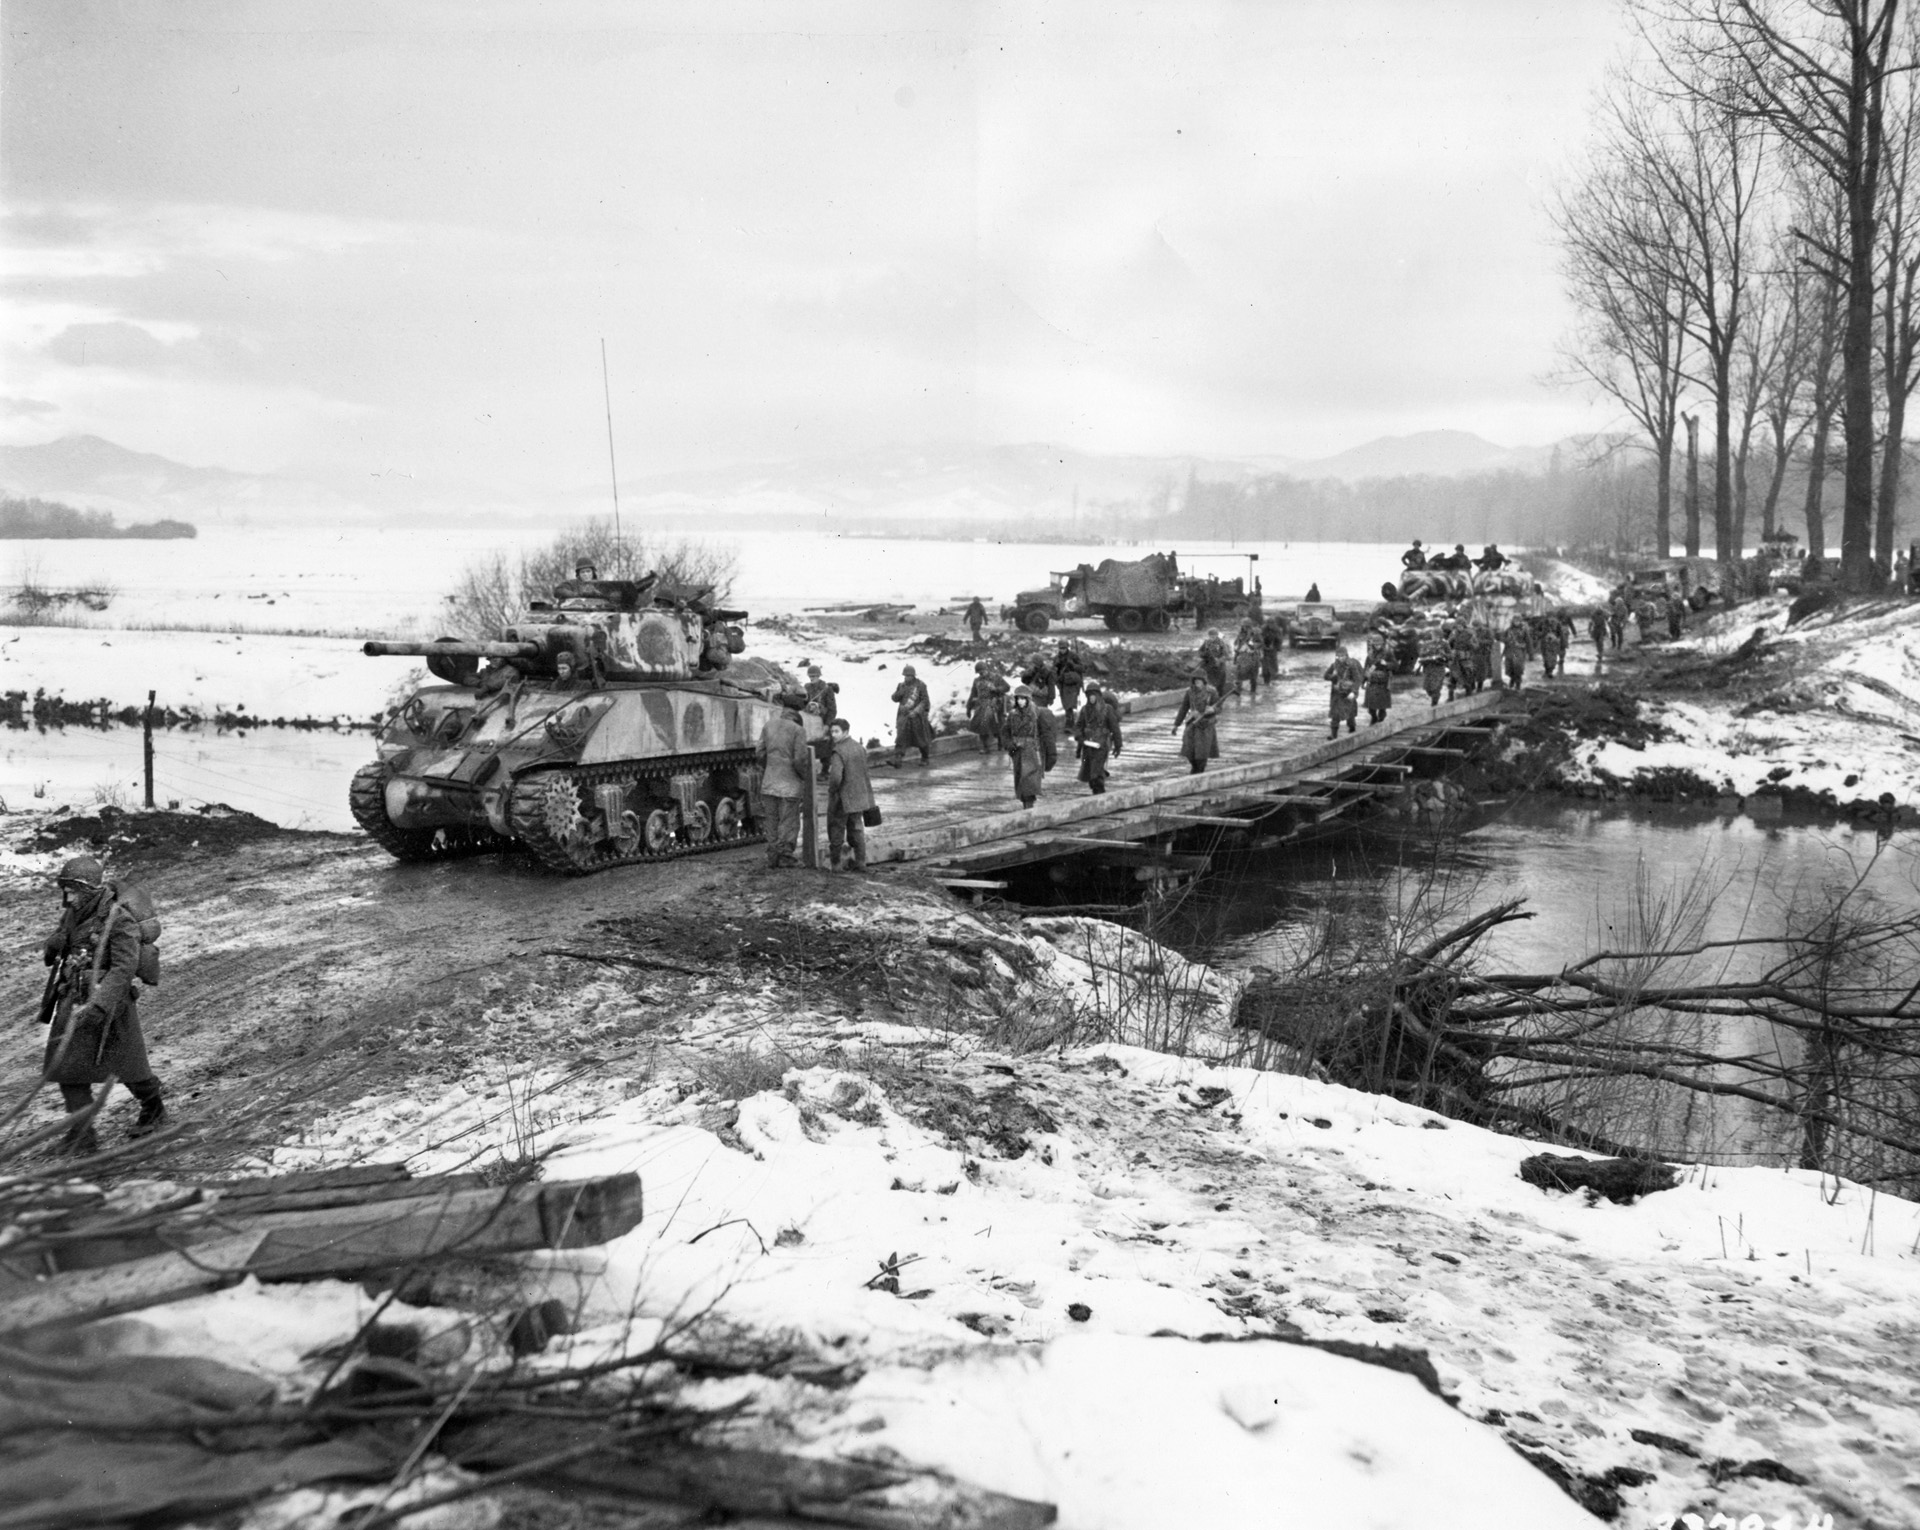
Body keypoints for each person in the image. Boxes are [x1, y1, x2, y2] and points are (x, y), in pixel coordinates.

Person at [41, 856, 166, 1154]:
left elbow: (124, 967)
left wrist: (100, 1005)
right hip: (72, 999)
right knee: (66, 1068)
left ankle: (154, 1108)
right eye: (65, 889)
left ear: (88, 889)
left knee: (130, 1068)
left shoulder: (117, 918)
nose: (67, 897)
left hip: (110, 1006)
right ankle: (83, 1135)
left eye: (73, 890)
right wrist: (55, 944)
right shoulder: (73, 914)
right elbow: (63, 942)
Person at [757, 702, 812, 868]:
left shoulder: (768, 726)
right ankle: (785, 856)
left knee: (772, 819)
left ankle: (772, 855)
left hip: (769, 781)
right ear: (796, 714)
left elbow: (759, 752)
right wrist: (805, 777)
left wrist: (771, 768)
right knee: (789, 820)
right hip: (790, 784)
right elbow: (800, 759)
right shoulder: (798, 730)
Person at [824, 718, 875, 872]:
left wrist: (832, 791)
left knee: (836, 830)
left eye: (836, 731)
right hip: (859, 796)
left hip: (842, 798)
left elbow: (835, 777)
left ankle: (836, 866)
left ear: (845, 732)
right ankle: (861, 863)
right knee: (857, 829)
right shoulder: (859, 748)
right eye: (832, 731)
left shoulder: (838, 751)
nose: (833, 735)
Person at [1004, 686, 1054, 808]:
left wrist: (1051, 753)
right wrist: (1010, 745)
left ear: (1028, 699)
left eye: (1023, 698)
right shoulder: (1012, 715)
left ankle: (1028, 805)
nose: (1020, 701)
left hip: (1032, 750)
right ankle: (1025, 803)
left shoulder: (1037, 713)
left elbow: (1046, 734)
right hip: (1017, 751)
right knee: (1020, 778)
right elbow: (1005, 732)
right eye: (1018, 699)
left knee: (1029, 779)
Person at [1074, 678, 1123, 795]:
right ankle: (1096, 789)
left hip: (1101, 745)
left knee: (1096, 771)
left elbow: (1115, 728)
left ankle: (1100, 792)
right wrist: (1079, 737)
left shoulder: (1107, 709)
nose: (1091, 697)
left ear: (1098, 695)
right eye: (1089, 695)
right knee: (1089, 771)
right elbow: (1078, 726)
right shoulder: (1085, 710)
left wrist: (1118, 745)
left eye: (1094, 695)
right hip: (1087, 746)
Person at [1171, 672, 1221, 773]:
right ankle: (1195, 767)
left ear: (1204, 681)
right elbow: (1184, 708)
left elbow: (1219, 707)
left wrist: (1212, 710)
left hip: (1206, 725)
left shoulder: (1211, 692)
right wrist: (1176, 724)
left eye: (1199, 680)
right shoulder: (1190, 692)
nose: (1197, 683)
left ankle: (1199, 770)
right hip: (1192, 723)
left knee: (1202, 752)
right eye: (1195, 680)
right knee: (1188, 749)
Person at [890, 664, 933, 766]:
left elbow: (925, 701)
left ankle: (925, 757)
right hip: (904, 717)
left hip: (916, 718)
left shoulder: (920, 685)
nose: (906, 678)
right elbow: (894, 698)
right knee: (900, 737)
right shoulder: (901, 685)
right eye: (905, 676)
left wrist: (916, 711)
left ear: (913, 676)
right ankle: (897, 760)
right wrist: (900, 692)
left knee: (920, 739)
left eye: (909, 676)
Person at [966, 661, 1009, 755]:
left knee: (997, 725)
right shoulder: (976, 681)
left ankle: (1001, 742)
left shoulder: (996, 677)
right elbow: (973, 694)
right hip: (982, 704)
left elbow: (1007, 687)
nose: (981, 674)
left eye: (982, 671)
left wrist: (997, 689)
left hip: (995, 703)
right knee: (982, 724)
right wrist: (968, 708)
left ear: (986, 669)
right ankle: (986, 747)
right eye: (979, 673)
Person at [803, 663, 838, 773]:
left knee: (825, 746)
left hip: (823, 721)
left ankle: (825, 771)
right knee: (808, 745)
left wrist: (828, 724)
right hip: (809, 721)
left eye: (813, 676)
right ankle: (809, 771)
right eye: (810, 676)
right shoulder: (806, 687)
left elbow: (832, 709)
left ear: (819, 676)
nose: (811, 678)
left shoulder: (827, 689)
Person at [1324, 645, 1363, 738]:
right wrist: (1333, 676)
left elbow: (1357, 679)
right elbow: (1326, 675)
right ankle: (1334, 735)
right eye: (1338, 656)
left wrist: (1354, 691)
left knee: (1350, 714)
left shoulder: (1352, 665)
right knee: (1335, 714)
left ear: (1346, 655)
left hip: (1348, 692)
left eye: (1342, 656)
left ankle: (1352, 728)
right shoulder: (1334, 665)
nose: (1340, 658)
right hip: (1337, 693)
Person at [1198, 628, 1231, 699]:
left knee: (1219, 685)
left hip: (1219, 667)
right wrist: (1204, 655)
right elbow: (1200, 652)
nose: (1211, 638)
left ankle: (1219, 698)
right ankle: (1208, 698)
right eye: (1210, 636)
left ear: (1216, 636)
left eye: (1213, 636)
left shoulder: (1221, 643)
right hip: (1209, 666)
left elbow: (1227, 656)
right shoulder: (1206, 642)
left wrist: (1219, 660)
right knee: (1208, 682)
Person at [1362, 652, 1393, 725]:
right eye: (1375, 644)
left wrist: (1387, 664)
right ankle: (1374, 717)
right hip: (1372, 681)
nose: (1377, 646)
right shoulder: (1370, 655)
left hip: (1383, 682)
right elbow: (1367, 668)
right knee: (1371, 703)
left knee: (1382, 703)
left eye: (1379, 644)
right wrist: (1363, 681)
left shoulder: (1387, 654)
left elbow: (1395, 665)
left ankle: (1382, 715)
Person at [1055, 644, 1085, 718]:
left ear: (1067, 647)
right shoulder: (1057, 658)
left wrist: (1073, 665)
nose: (1062, 650)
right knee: (1065, 705)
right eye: (1061, 648)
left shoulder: (1073, 656)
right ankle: (1069, 720)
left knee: (1071, 705)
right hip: (1063, 684)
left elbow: (1082, 668)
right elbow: (1054, 672)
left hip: (1073, 684)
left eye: (1064, 648)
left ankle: (1071, 721)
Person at [1502, 621, 1532, 690]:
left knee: (1517, 667)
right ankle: (1512, 678)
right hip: (1509, 651)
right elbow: (1502, 638)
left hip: (1517, 652)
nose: (1516, 621)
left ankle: (1517, 683)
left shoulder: (1524, 630)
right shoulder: (1508, 629)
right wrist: (1507, 639)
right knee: (1508, 667)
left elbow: (1528, 641)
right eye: (1515, 619)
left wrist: (1531, 654)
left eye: (1517, 619)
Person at [1260, 614, 1285, 682]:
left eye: (1272, 623)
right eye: (1269, 623)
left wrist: (1275, 645)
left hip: (1274, 646)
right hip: (1265, 645)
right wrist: (1263, 645)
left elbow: (1280, 639)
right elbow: (1260, 637)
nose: (1270, 625)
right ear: (1267, 623)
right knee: (1264, 660)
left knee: (1273, 659)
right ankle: (1265, 673)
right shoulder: (1263, 629)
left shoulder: (1277, 629)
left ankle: (1274, 673)